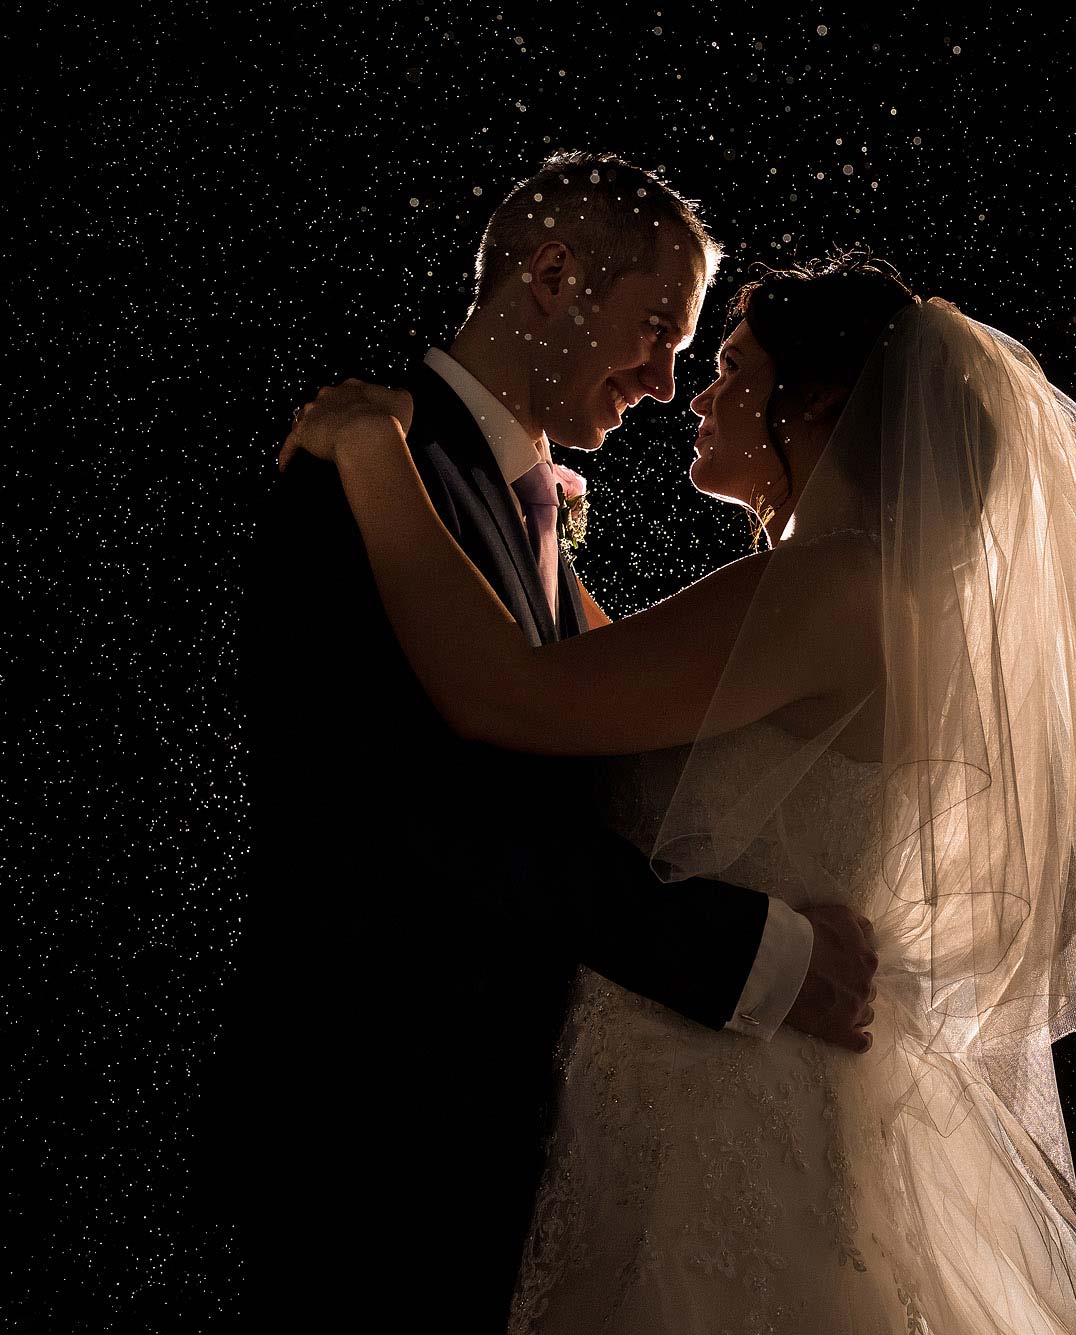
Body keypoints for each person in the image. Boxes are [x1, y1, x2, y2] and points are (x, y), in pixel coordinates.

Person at [280, 250, 1076, 1332]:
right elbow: (628, 689)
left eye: (733, 369)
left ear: (816, 401)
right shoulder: (882, 593)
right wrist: (548, 535)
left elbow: (503, 692)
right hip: (768, 1086)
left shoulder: (822, 589)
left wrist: (369, 452)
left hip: (717, 1105)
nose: (700, 394)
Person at [217, 152, 877, 1334]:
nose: (670, 383)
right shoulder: (363, 472)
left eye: (700, 355)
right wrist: (746, 955)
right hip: (381, 1124)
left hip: (518, 1132)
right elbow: (425, 816)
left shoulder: (471, 495)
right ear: (554, 275)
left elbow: (539, 720)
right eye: (655, 331)